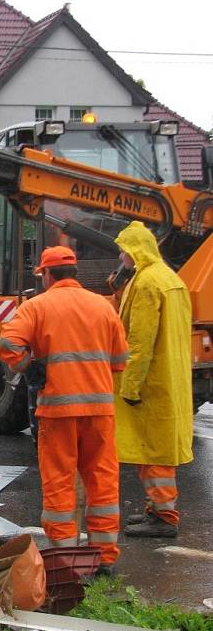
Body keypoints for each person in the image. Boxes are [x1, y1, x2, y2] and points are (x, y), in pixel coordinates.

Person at [0, 246, 128, 573]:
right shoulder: (103, 306)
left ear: (46, 275)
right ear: (75, 273)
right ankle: (103, 559)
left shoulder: (36, 307)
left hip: (56, 413)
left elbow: (7, 345)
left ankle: (68, 561)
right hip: (99, 412)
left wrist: (30, 367)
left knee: (59, 483)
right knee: (103, 482)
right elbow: (121, 360)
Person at [113, 221, 193, 538]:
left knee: (151, 451)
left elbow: (140, 342)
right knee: (157, 450)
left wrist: (130, 386)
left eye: (123, 251)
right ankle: (158, 510)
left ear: (136, 250)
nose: (121, 257)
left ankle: (164, 517)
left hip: (150, 384)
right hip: (169, 378)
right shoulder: (170, 278)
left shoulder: (146, 283)